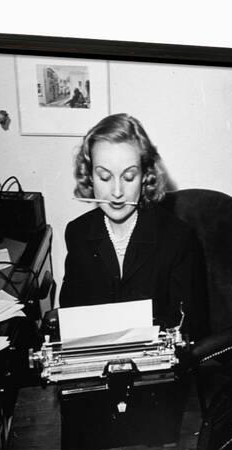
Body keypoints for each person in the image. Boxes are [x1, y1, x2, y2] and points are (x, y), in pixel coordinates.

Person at [59, 113, 208, 340]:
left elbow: (189, 328)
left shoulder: (178, 238)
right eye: (104, 177)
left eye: (128, 177)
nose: (117, 192)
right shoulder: (77, 233)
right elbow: (72, 319)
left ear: (145, 176)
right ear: (89, 176)